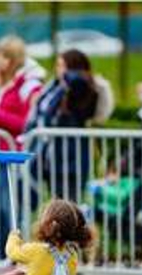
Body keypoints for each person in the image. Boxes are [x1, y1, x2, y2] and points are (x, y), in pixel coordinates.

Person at [0, 35, 46, 259]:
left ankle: (15, 254)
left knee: (9, 208)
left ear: (14, 59)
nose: (0, 61)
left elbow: (26, 123)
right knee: (0, 208)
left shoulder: (28, 86)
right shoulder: (2, 82)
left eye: (5, 56)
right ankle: (4, 255)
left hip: (12, 155)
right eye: (0, 55)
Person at [25, 49, 99, 203]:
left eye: (63, 66)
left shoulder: (81, 87)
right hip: (52, 158)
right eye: (58, 65)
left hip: (71, 160)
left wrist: (70, 76)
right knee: (56, 207)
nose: (58, 70)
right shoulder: (54, 87)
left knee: (69, 208)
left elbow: (77, 82)